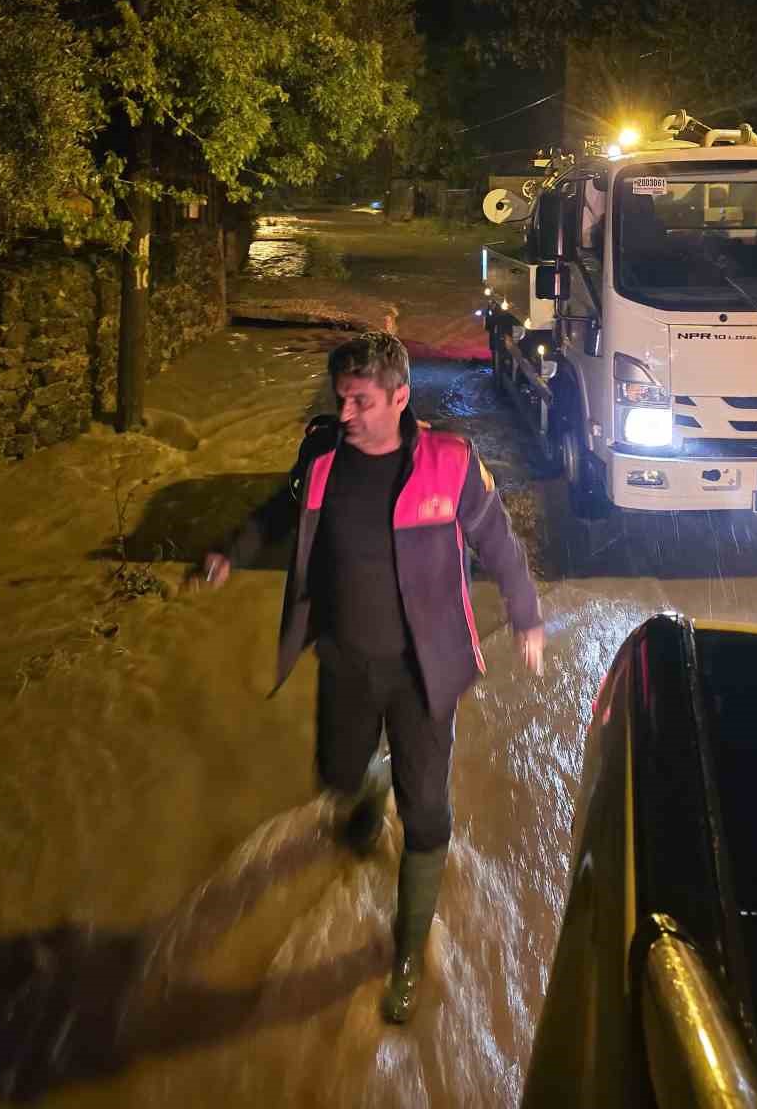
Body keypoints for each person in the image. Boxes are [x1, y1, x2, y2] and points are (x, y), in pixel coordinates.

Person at [196, 331, 544, 1025]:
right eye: (341, 399)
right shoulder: (323, 454)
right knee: (337, 777)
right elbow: (280, 509)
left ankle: (406, 955)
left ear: (400, 398)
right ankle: (368, 786)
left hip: (425, 672)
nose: (347, 413)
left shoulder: (449, 463)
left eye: (360, 401)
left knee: (427, 814)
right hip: (346, 663)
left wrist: (526, 615)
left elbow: (498, 541)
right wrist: (231, 550)